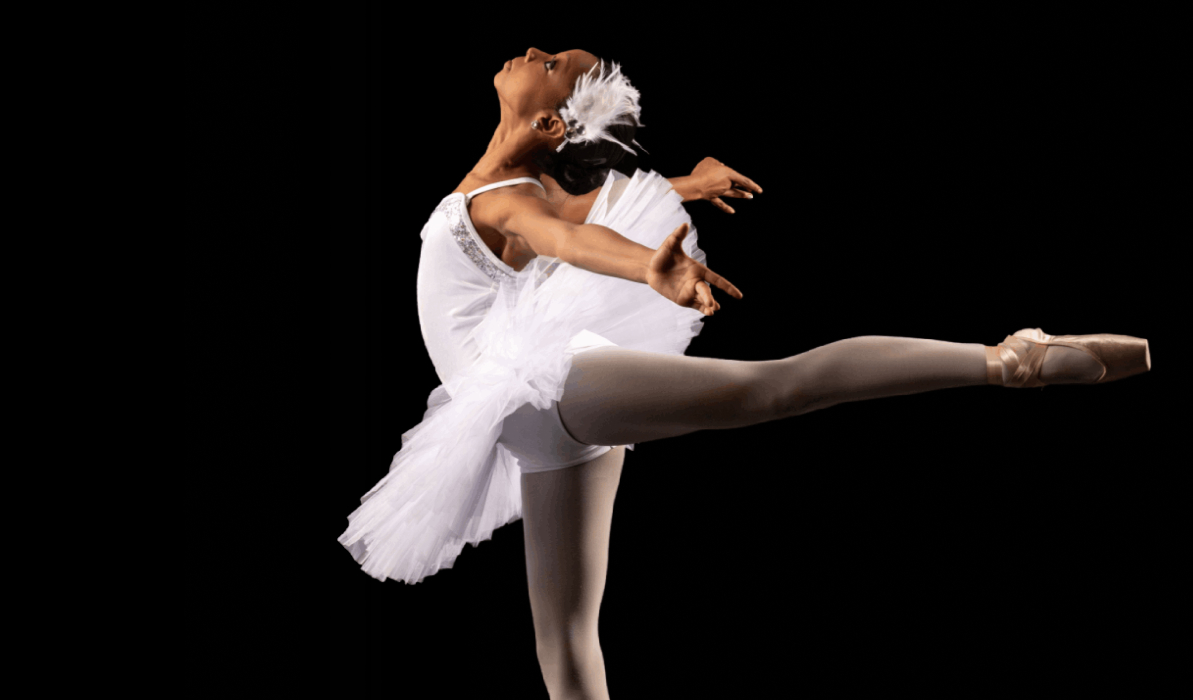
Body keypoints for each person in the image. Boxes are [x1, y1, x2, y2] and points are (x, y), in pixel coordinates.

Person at [336, 48, 1152, 699]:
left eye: (549, 61)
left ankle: (1009, 363)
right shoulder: (527, 188)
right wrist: (688, 184)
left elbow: (577, 242)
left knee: (772, 389)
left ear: (548, 116)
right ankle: (1010, 360)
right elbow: (582, 216)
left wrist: (650, 272)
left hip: (541, 392)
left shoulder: (510, 200)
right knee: (568, 641)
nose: (532, 50)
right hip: (534, 411)